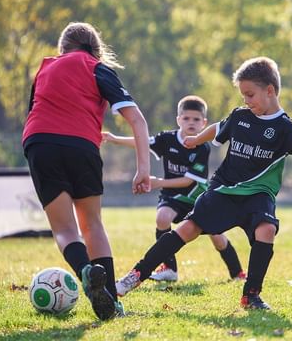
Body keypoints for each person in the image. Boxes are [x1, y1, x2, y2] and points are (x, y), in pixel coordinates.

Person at [115, 56, 292, 310]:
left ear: (270, 91)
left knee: (267, 229)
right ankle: (135, 276)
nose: (246, 100)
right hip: (224, 189)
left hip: (258, 194)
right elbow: (218, 127)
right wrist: (197, 138)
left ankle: (251, 295)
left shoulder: (285, 128)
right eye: (243, 95)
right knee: (187, 230)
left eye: (250, 94)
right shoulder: (241, 116)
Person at [22, 22, 150, 320]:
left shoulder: (45, 69)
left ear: (62, 48)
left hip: (40, 142)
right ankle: (110, 301)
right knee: (92, 224)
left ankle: (85, 271)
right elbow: (137, 120)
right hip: (82, 145)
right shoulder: (98, 68)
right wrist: (142, 169)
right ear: (95, 48)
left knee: (65, 230)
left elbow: (35, 111)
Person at [103, 95, 245, 282]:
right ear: (178, 120)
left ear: (204, 123)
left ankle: (237, 273)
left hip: (196, 198)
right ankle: (169, 269)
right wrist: (114, 139)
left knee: (217, 236)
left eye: (196, 119)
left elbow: (187, 182)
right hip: (172, 197)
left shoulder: (202, 147)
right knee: (162, 218)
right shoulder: (167, 139)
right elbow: (143, 141)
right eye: (186, 118)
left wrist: (157, 182)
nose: (191, 123)